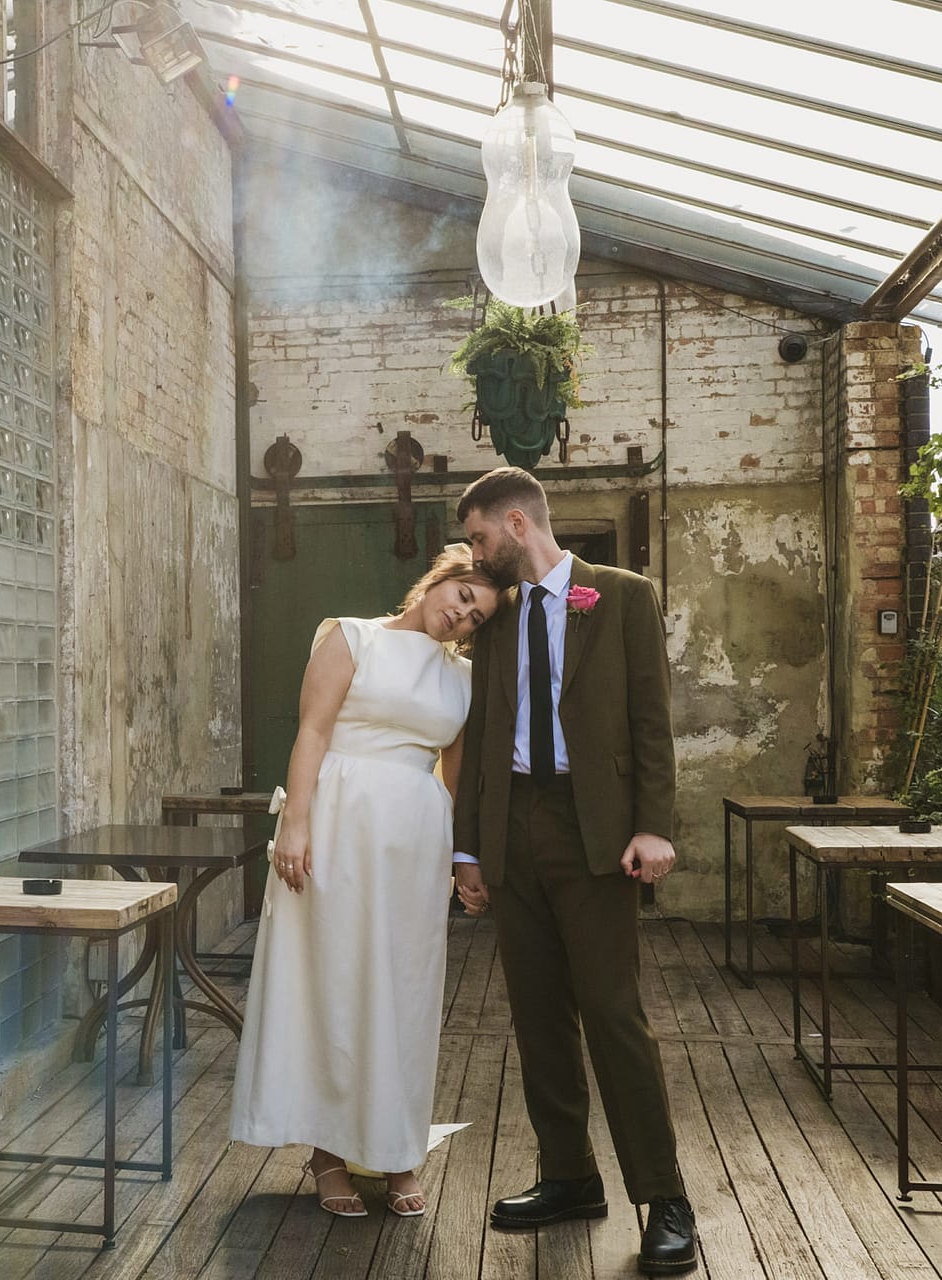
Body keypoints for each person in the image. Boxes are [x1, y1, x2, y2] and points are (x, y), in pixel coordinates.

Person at [451, 467, 698, 1276]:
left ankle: (664, 1197)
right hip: (513, 826)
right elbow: (481, 733)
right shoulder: (497, 616)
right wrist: (469, 848)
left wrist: (654, 824)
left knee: (613, 1011)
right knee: (537, 1016)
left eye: (480, 538)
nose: (475, 555)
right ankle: (568, 1176)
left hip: (593, 829)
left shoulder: (620, 596)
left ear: (518, 524)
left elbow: (651, 720)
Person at [229, 545, 498, 1218]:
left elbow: (455, 778)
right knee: (331, 982)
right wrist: (295, 824)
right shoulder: (350, 637)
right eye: (461, 598)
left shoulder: (462, 680)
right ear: (440, 580)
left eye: (475, 618)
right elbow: (312, 732)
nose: (460, 618)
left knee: (403, 989)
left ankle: (399, 1150)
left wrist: (466, 858)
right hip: (336, 824)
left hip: (413, 843)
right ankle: (326, 1155)